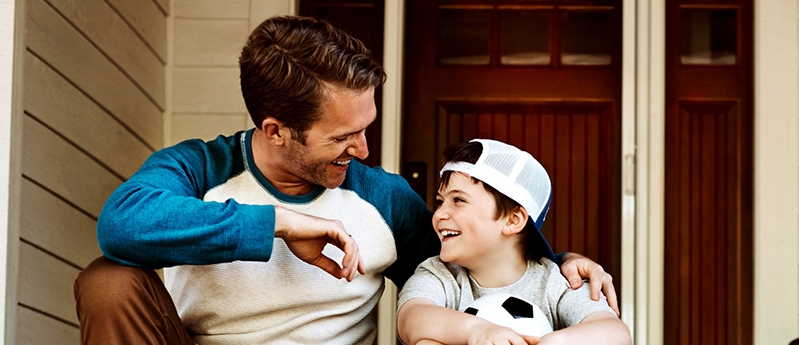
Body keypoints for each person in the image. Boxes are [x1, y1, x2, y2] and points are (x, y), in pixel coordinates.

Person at [72, 16, 617, 345]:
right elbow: (121, 224)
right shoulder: (199, 168)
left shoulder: (384, 197)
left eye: (365, 128)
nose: (363, 150)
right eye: (341, 138)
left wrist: (555, 257)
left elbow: (474, 255)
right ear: (277, 130)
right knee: (108, 281)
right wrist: (281, 225)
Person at [396, 140, 631, 345]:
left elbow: (617, 334)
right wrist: (476, 330)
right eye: (440, 201)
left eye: (458, 200)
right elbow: (411, 317)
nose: (438, 215)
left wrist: (554, 341)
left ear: (513, 219)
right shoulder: (438, 275)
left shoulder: (555, 282)